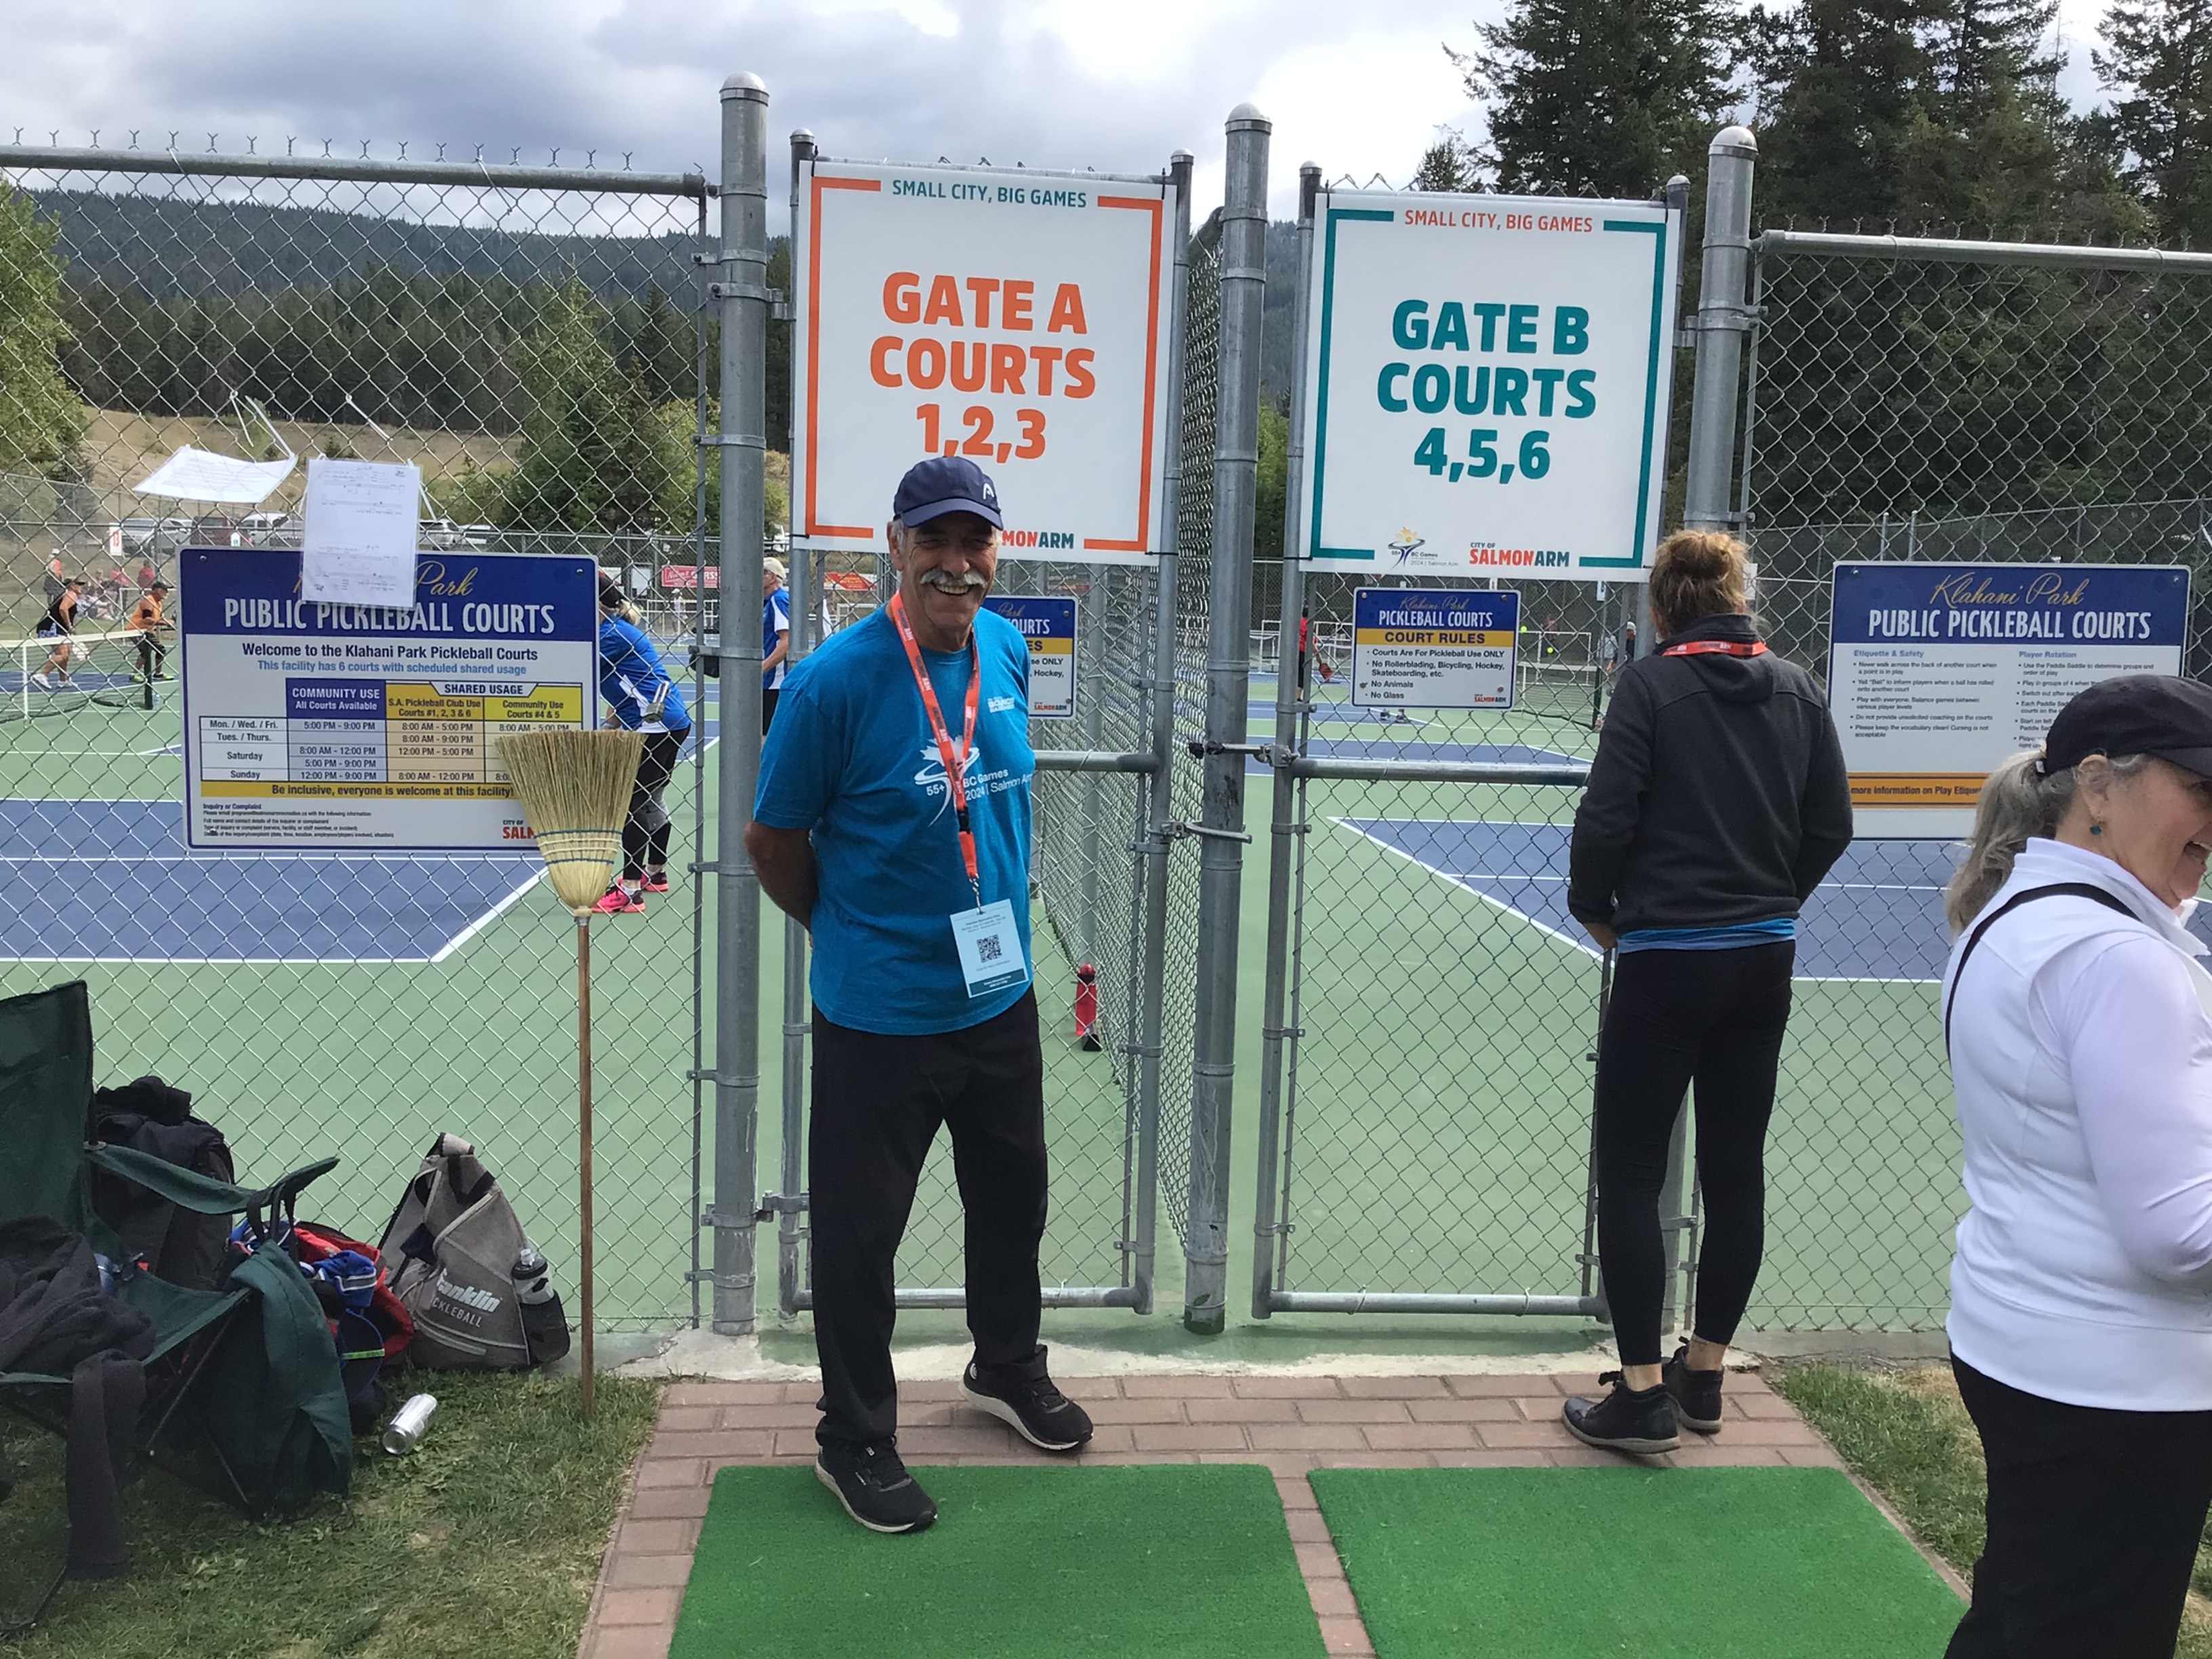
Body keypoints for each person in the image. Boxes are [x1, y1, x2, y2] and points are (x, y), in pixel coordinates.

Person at [747, 455, 1092, 1536]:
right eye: (932, 541)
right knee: (861, 1240)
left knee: (1013, 1203)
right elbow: (773, 839)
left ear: (997, 550)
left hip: (999, 996)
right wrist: (849, 930)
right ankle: (853, 1438)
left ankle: (1006, 1368)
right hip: (880, 1015)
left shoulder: (1005, 646)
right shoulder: (832, 683)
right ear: (893, 548)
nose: (956, 564)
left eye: (973, 541)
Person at [1938, 675, 2212, 1658]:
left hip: (2028, 1347)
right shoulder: (2118, 959)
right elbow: (2180, 1235)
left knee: (2022, 1617)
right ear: (2097, 785)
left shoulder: (2012, 914)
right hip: (2120, 1387)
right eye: (2200, 789)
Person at [1561, 529, 1851, 1454]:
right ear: (1740, 599)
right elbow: (1831, 825)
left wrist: (1596, 909)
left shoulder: (1650, 687)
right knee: (1735, 1169)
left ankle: (1642, 1393)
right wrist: (1774, 900)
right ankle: (1707, 1373)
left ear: (1659, 611)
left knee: (1632, 1171)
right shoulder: (1799, 687)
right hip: (1762, 962)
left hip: (1666, 959)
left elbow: (1606, 818)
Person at [593, 575, 693, 914]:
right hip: (668, 720)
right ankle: (656, 872)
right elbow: (623, 684)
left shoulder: (609, 635)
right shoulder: (617, 631)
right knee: (652, 797)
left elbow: (570, 665)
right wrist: (611, 724)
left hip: (655, 724)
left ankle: (631, 890)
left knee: (631, 801)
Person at [32, 576, 83, 691]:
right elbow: (63, 609)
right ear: (72, 585)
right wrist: (69, 625)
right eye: (79, 584)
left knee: (66, 653)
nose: (81, 587)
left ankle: (62, 680)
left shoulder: (67, 595)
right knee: (62, 654)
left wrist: (68, 628)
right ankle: (42, 674)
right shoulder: (71, 594)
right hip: (52, 627)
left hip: (58, 628)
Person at [761, 556, 792, 734]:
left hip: (775, 680)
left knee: (767, 733)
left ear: (772, 577)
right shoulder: (768, 602)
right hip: (769, 680)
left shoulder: (778, 600)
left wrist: (763, 667)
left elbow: (786, 641)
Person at [125, 581, 172, 682]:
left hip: (147, 631)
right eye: (163, 589)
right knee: (145, 651)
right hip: (136, 630)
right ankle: (134, 674)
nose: (166, 592)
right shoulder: (148, 601)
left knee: (161, 650)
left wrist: (167, 622)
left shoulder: (158, 603)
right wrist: (165, 622)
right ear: (155, 590)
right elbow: (146, 619)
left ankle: (158, 674)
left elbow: (155, 620)